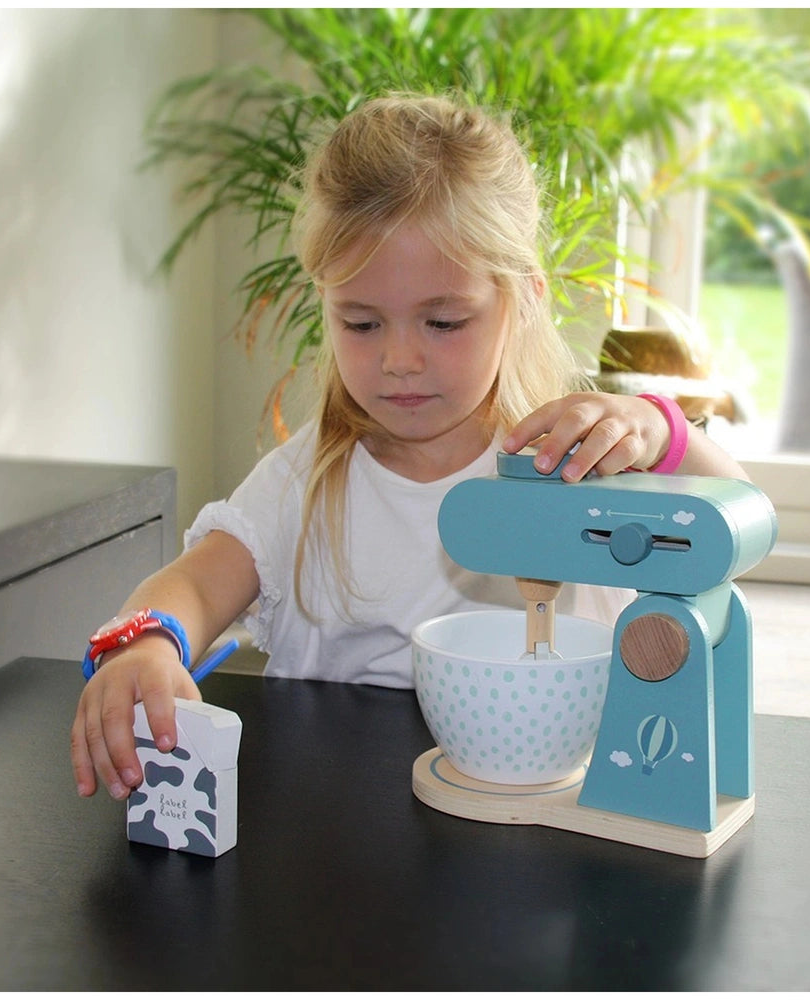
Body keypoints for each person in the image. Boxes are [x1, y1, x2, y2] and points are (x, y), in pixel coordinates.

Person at [71, 94, 747, 801]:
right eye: (361, 324)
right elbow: (192, 584)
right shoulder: (302, 484)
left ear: (524, 301)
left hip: (558, 832)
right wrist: (146, 642)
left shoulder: (577, 463)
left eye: (444, 321)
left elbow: (745, 522)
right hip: (342, 849)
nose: (399, 359)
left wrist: (663, 433)